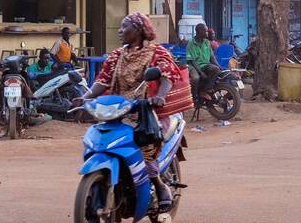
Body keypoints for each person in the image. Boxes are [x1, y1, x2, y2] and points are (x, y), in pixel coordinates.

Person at [82, 13, 190, 209]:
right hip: (119, 110)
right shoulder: (117, 55)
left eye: (125, 27)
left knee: (145, 148)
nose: (120, 31)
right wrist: (86, 97)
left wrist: (160, 97)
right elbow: (103, 81)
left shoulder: (157, 52)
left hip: (148, 111)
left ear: (139, 30)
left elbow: (167, 76)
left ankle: (160, 186)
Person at [186, 22, 219, 97]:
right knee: (196, 78)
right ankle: (194, 97)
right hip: (193, 66)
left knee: (216, 70)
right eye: (205, 31)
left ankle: (204, 90)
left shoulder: (207, 42)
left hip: (205, 65)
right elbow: (192, 61)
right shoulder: (191, 43)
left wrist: (219, 66)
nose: (207, 33)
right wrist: (201, 72)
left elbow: (212, 57)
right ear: (199, 31)